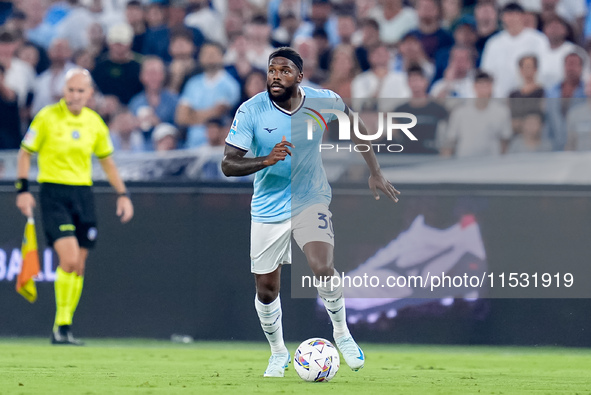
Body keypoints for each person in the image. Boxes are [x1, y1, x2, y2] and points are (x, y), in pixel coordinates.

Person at [222, 47, 400, 377]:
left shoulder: (323, 100)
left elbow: (355, 125)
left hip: (310, 199)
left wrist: (375, 171)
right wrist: (265, 160)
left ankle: (342, 333)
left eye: (284, 70)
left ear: (299, 77)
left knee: (322, 265)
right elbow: (228, 165)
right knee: (267, 290)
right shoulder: (251, 111)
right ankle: (278, 353)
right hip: (267, 207)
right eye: (272, 70)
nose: (276, 75)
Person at [15, 68, 134, 345]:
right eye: (71, 90)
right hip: (54, 192)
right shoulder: (47, 117)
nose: (75, 96)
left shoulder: (94, 123)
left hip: (83, 194)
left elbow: (107, 162)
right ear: (63, 91)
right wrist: (22, 190)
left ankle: (63, 326)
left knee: (78, 266)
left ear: (90, 94)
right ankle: (62, 325)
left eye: (81, 91)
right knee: (68, 259)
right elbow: (25, 153)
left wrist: (123, 194)